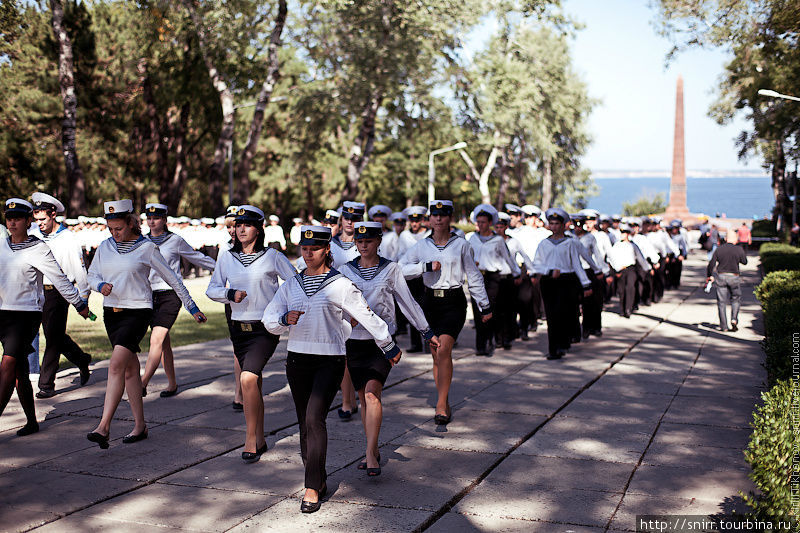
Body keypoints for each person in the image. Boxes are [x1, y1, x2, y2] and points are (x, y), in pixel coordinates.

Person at [263, 225, 399, 513]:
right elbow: (269, 318)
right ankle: (319, 479)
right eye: (304, 248)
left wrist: (388, 346)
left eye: (314, 248)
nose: (308, 253)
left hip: (330, 360)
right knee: (304, 423)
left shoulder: (341, 284)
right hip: (297, 360)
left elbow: (368, 316)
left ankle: (311, 485)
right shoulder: (291, 284)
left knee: (315, 418)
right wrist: (285, 319)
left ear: (327, 250)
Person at [85, 199, 206, 449]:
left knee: (116, 365)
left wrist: (191, 306)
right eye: (110, 228)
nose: (114, 233)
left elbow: (173, 279)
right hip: (112, 314)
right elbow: (91, 275)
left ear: (130, 223)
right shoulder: (106, 246)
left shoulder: (146, 248)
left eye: (118, 228)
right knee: (130, 371)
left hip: (138, 312)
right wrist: (99, 286)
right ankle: (140, 426)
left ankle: (104, 426)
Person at [340, 221, 440, 475]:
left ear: (378, 242)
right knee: (363, 397)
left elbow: (407, 303)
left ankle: (370, 454)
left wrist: (426, 330)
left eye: (368, 241)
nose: (363, 245)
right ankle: (371, 448)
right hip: (354, 342)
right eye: (359, 241)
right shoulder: (344, 270)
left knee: (373, 393)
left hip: (381, 343)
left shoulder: (391, 269)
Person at [207, 205, 297, 462]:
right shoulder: (226, 256)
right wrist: (228, 294)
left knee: (247, 379)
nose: (240, 229)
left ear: (259, 228)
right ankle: (259, 437)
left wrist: (281, 310)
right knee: (253, 382)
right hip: (239, 329)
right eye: (237, 225)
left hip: (264, 329)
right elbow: (212, 288)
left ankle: (249, 440)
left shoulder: (273, 256)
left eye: (246, 224)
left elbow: (294, 285)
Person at [1, 199, 90, 436]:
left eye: (18, 218)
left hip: (26, 315)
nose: (12, 222)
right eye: (9, 218)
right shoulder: (1, 243)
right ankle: (32, 421)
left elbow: (60, 278)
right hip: (3, 313)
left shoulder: (38, 248)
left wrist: (80, 302)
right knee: (19, 370)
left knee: (8, 363)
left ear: (28, 220)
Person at [400, 200, 492, 424]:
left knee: (443, 349)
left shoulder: (461, 245)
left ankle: (441, 404)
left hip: (453, 302)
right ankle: (444, 398)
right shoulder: (422, 246)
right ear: (429, 219)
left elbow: (474, 275)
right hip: (430, 302)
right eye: (435, 215)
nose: (438, 219)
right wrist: (424, 267)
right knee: (436, 353)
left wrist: (484, 305)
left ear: (450, 218)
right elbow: (399, 268)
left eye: (443, 215)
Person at [140, 204, 217, 398]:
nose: (151, 221)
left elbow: (197, 258)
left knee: (156, 339)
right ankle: (172, 384)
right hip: (149, 296)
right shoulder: (142, 242)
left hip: (170, 295)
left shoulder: (175, 240)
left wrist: (225, 268)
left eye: (156, 218)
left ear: (164, 220)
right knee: (163, 343)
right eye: (148, 218)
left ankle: (141, 383)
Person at [30, 192, 93, 398]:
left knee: (53, 338)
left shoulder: (68, 239)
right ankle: (81, 359)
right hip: (35, 291)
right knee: (53, 334)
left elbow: (79, 270)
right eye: (36, 219)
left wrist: (83, 299)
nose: (39, 223)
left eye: (43, 219)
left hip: (58, 293)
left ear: (53, 214)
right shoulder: (34, 234)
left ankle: (46, 384)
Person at [531, 208, 592, 360]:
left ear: (563, 225)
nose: (554, 227)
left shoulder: (570, 242)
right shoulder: (544, 243)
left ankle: (563, 343)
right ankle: (554, 349)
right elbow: (536, 264)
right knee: (551, 315)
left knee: (564, 313)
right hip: (549, 281)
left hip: (567, 280)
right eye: (551, 223)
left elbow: (576, 264)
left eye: (557, 223)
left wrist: (586, 283)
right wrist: (549, 271)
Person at [467, 204, 521, 353]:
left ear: (490, 223)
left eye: (483, 222)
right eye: (478, 222)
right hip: (477, 277)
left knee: (490, 310)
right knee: (478, 311)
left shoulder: (497, 240)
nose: (480, 225)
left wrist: (516, 273)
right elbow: (466, 256)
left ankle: (492, 339)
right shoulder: (473, 238)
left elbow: (508, 258)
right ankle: (481, 344)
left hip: (493, 279)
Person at [495, 212, 535, 341]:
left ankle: (522, 329)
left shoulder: (514, 242)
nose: (499, 229)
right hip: (497, 277)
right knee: (499, 308)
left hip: (513, 276)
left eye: (501, 227)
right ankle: (502, 335)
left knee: (519, 303)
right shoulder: (492, 241)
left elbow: (525, 256)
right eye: (497, 227)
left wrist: (531, 271)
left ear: (506, 227)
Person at [398, 206, 429, 353]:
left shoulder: (429, 234)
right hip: (410, 278)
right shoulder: (404, 236)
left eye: (417, 220)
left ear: (422, 220)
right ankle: (415, 343)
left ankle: (429, 342)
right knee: (412, 310)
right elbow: (400, 255)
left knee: (427, 310)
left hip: (426, 277)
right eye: (412, 220)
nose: (414, 223)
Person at [223, 205, 244, 411]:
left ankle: (246, 387)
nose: (232, 230)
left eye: (236, 226)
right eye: (229, 226)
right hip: (232, 303)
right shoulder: (225, 249)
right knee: (237, 348)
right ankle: (239, 391)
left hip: (253, 304)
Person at [706, 231, 747, 332]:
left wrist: (709, 275)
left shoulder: (719, 249)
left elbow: (711, 264)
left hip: (721, 276)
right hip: (734, 276)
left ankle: (723, 326)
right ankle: (734, 319)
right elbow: (744, 261)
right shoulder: (739, 249)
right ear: (734, 239)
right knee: (735, 299)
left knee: (721, 302)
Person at [607, 224, 651, 318]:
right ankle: (622, 309)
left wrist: (647, 268)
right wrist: (616, 270)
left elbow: (640, 257)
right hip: (620, 269)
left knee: (630, 288)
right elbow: (611, 258)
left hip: (631, 269)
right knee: (621, 290)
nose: (622, 235)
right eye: (621, 232)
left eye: (624, 233)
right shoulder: (617, 245)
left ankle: (628, 309)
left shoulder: (633, 245)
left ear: (628, 234)